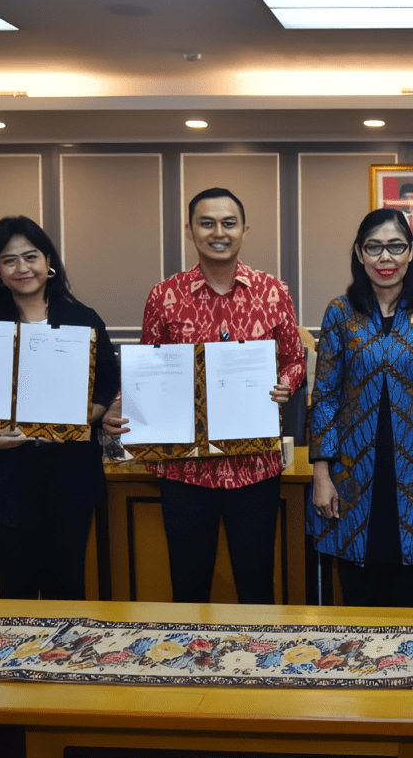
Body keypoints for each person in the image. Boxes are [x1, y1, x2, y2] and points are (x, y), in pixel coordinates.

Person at [106, 187, 305, 604]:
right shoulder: (164, 296)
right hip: (185, 467)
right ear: (190, 230)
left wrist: (287, 382)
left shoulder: (273, 292)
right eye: (207, 223)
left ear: (244, 229)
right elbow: (148, 367)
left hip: (254, 464)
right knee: (188, 582)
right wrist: (122, 405)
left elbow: (294, 358)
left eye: (229, 223)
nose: (219, 232)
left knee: (256, 583)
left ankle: (256, 649)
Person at [308, 209, 413, 607]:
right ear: (359, 253)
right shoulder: (340, 313)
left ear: (411, 252)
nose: (386, 257)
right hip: (352, 481)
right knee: (359, 603)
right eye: (374, 247)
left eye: (396, 246)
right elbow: (325, 394)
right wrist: (321, 473)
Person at [0, 216, 120, 600]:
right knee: (15, 590)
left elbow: (106, 384)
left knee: (67, 589)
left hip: (70, 476)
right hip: (5, 479)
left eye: (30, 256)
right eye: (9, 260)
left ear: (48, 260)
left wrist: (79, 418)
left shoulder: (83, 319)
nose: (22, 268)